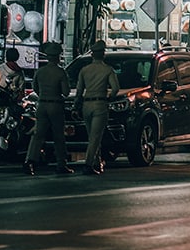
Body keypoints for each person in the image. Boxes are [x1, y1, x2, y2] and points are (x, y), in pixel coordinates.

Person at [24, 41, 73, 176]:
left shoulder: (40, 72)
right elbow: (65, 92)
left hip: (42, 104)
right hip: (56, 105)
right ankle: (61, 164)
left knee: (38, 135)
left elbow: (35, 88)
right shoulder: (60, 72)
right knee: (58, 136)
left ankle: (29, 161)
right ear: (58, 57)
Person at [73, 39, 119, 175]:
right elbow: (115, 88)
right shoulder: (107, 70)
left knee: (92, 136)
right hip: (100, 104)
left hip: (86, 104)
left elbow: (79, 90)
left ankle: (97, 163)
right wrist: (109, 99)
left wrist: (77, 104)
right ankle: (88, 165)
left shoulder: (84, 70)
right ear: (103, 54)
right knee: (96, 136)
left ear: (92, 54)